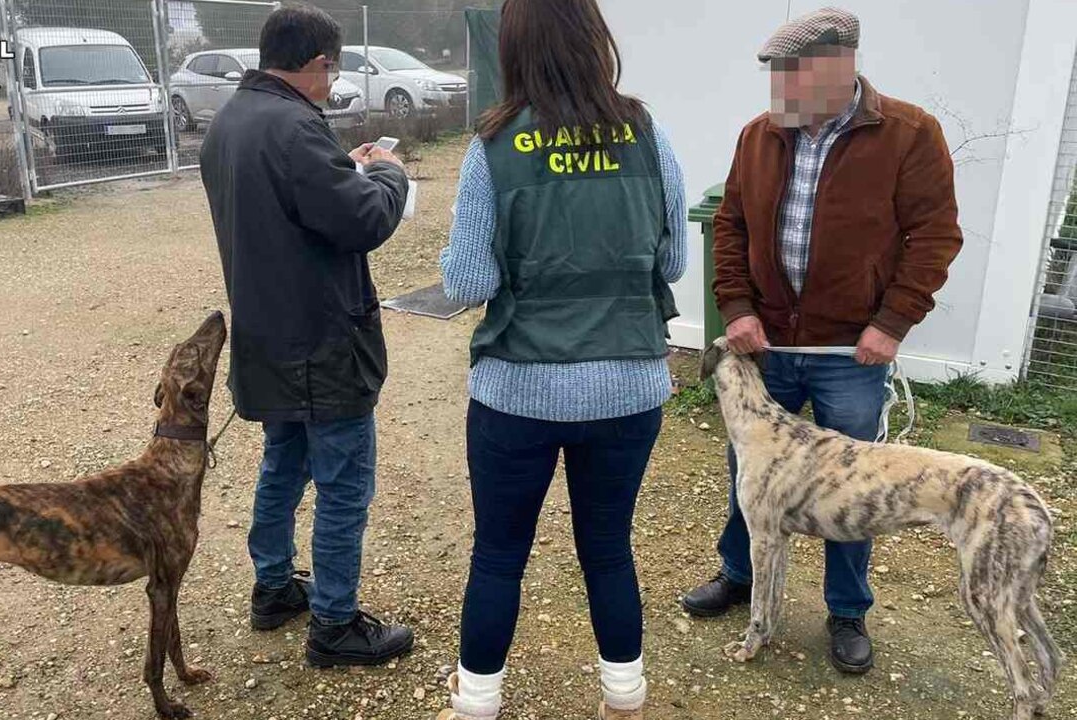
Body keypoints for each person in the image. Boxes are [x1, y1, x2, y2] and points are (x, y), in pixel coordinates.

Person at [680, 7, 963, 676]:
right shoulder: (760, 135)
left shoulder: (910, 134)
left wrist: (892, 322)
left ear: (838, 67)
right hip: (767, 347)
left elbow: (935, 236)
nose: (779, 94)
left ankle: (846, 610)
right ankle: (739, 575)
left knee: (854, 490)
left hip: (849, 356)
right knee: (747, 472)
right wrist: (736, 308)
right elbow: (730, 229)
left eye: (789, 77)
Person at [436, 0, 688, 717]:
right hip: (629, 386)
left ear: (513, 48)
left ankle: (477, 704)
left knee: (498, 555)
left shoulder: (494, 145)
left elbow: (470, 282)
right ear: (593, 38)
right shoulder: (646, 133)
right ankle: (624, 695)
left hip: (518, 390)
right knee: (608, 550)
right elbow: (671, 260)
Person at [199, 3, 414, 668]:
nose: (331, 79)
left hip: (265, 338)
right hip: (322, 341)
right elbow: (363, 221)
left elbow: (290, 198)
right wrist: (388, 173)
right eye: (332, 68)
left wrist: (338, 164)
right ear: (321, 63)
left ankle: (272, 588)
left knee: (283, 465)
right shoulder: (294, 128)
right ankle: (336, 624)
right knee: (343, 483)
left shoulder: (231, 122)